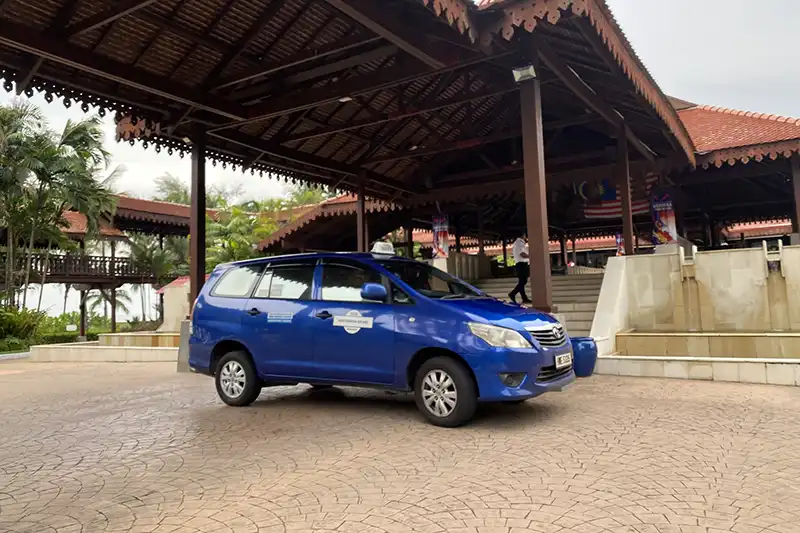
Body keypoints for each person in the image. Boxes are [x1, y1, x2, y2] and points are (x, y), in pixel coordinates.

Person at [508, 234, 531, 304]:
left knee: (522, 281)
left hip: (522, 264)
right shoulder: (519, 243)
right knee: (523, 281)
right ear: (523, 235)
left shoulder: (520, 243)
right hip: (521, 264)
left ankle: (524, 298)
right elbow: (522, 254)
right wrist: (531, 256)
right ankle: (512, 293)